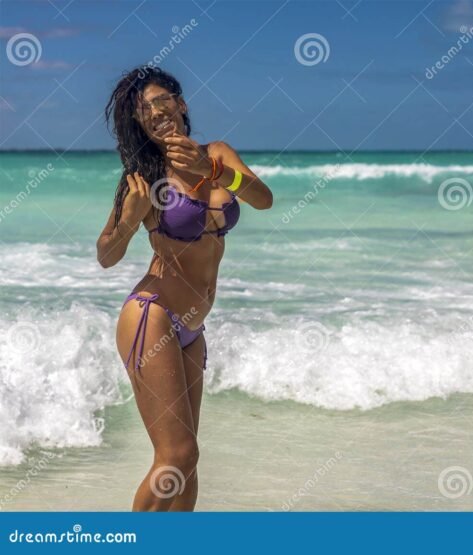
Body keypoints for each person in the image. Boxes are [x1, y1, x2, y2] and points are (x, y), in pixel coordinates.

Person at [97, 66, 273, 511]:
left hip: (192, 329)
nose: (156, 112)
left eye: (161, 101)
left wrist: (213, 169)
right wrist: (131, 218)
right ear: (138, 124)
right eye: (143, 111)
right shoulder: (143, 177)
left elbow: (263, 198)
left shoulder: (217, 154)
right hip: (152, 314)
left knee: (188, 463)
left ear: (181, 104)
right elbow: (106, 254)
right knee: (176, 456)